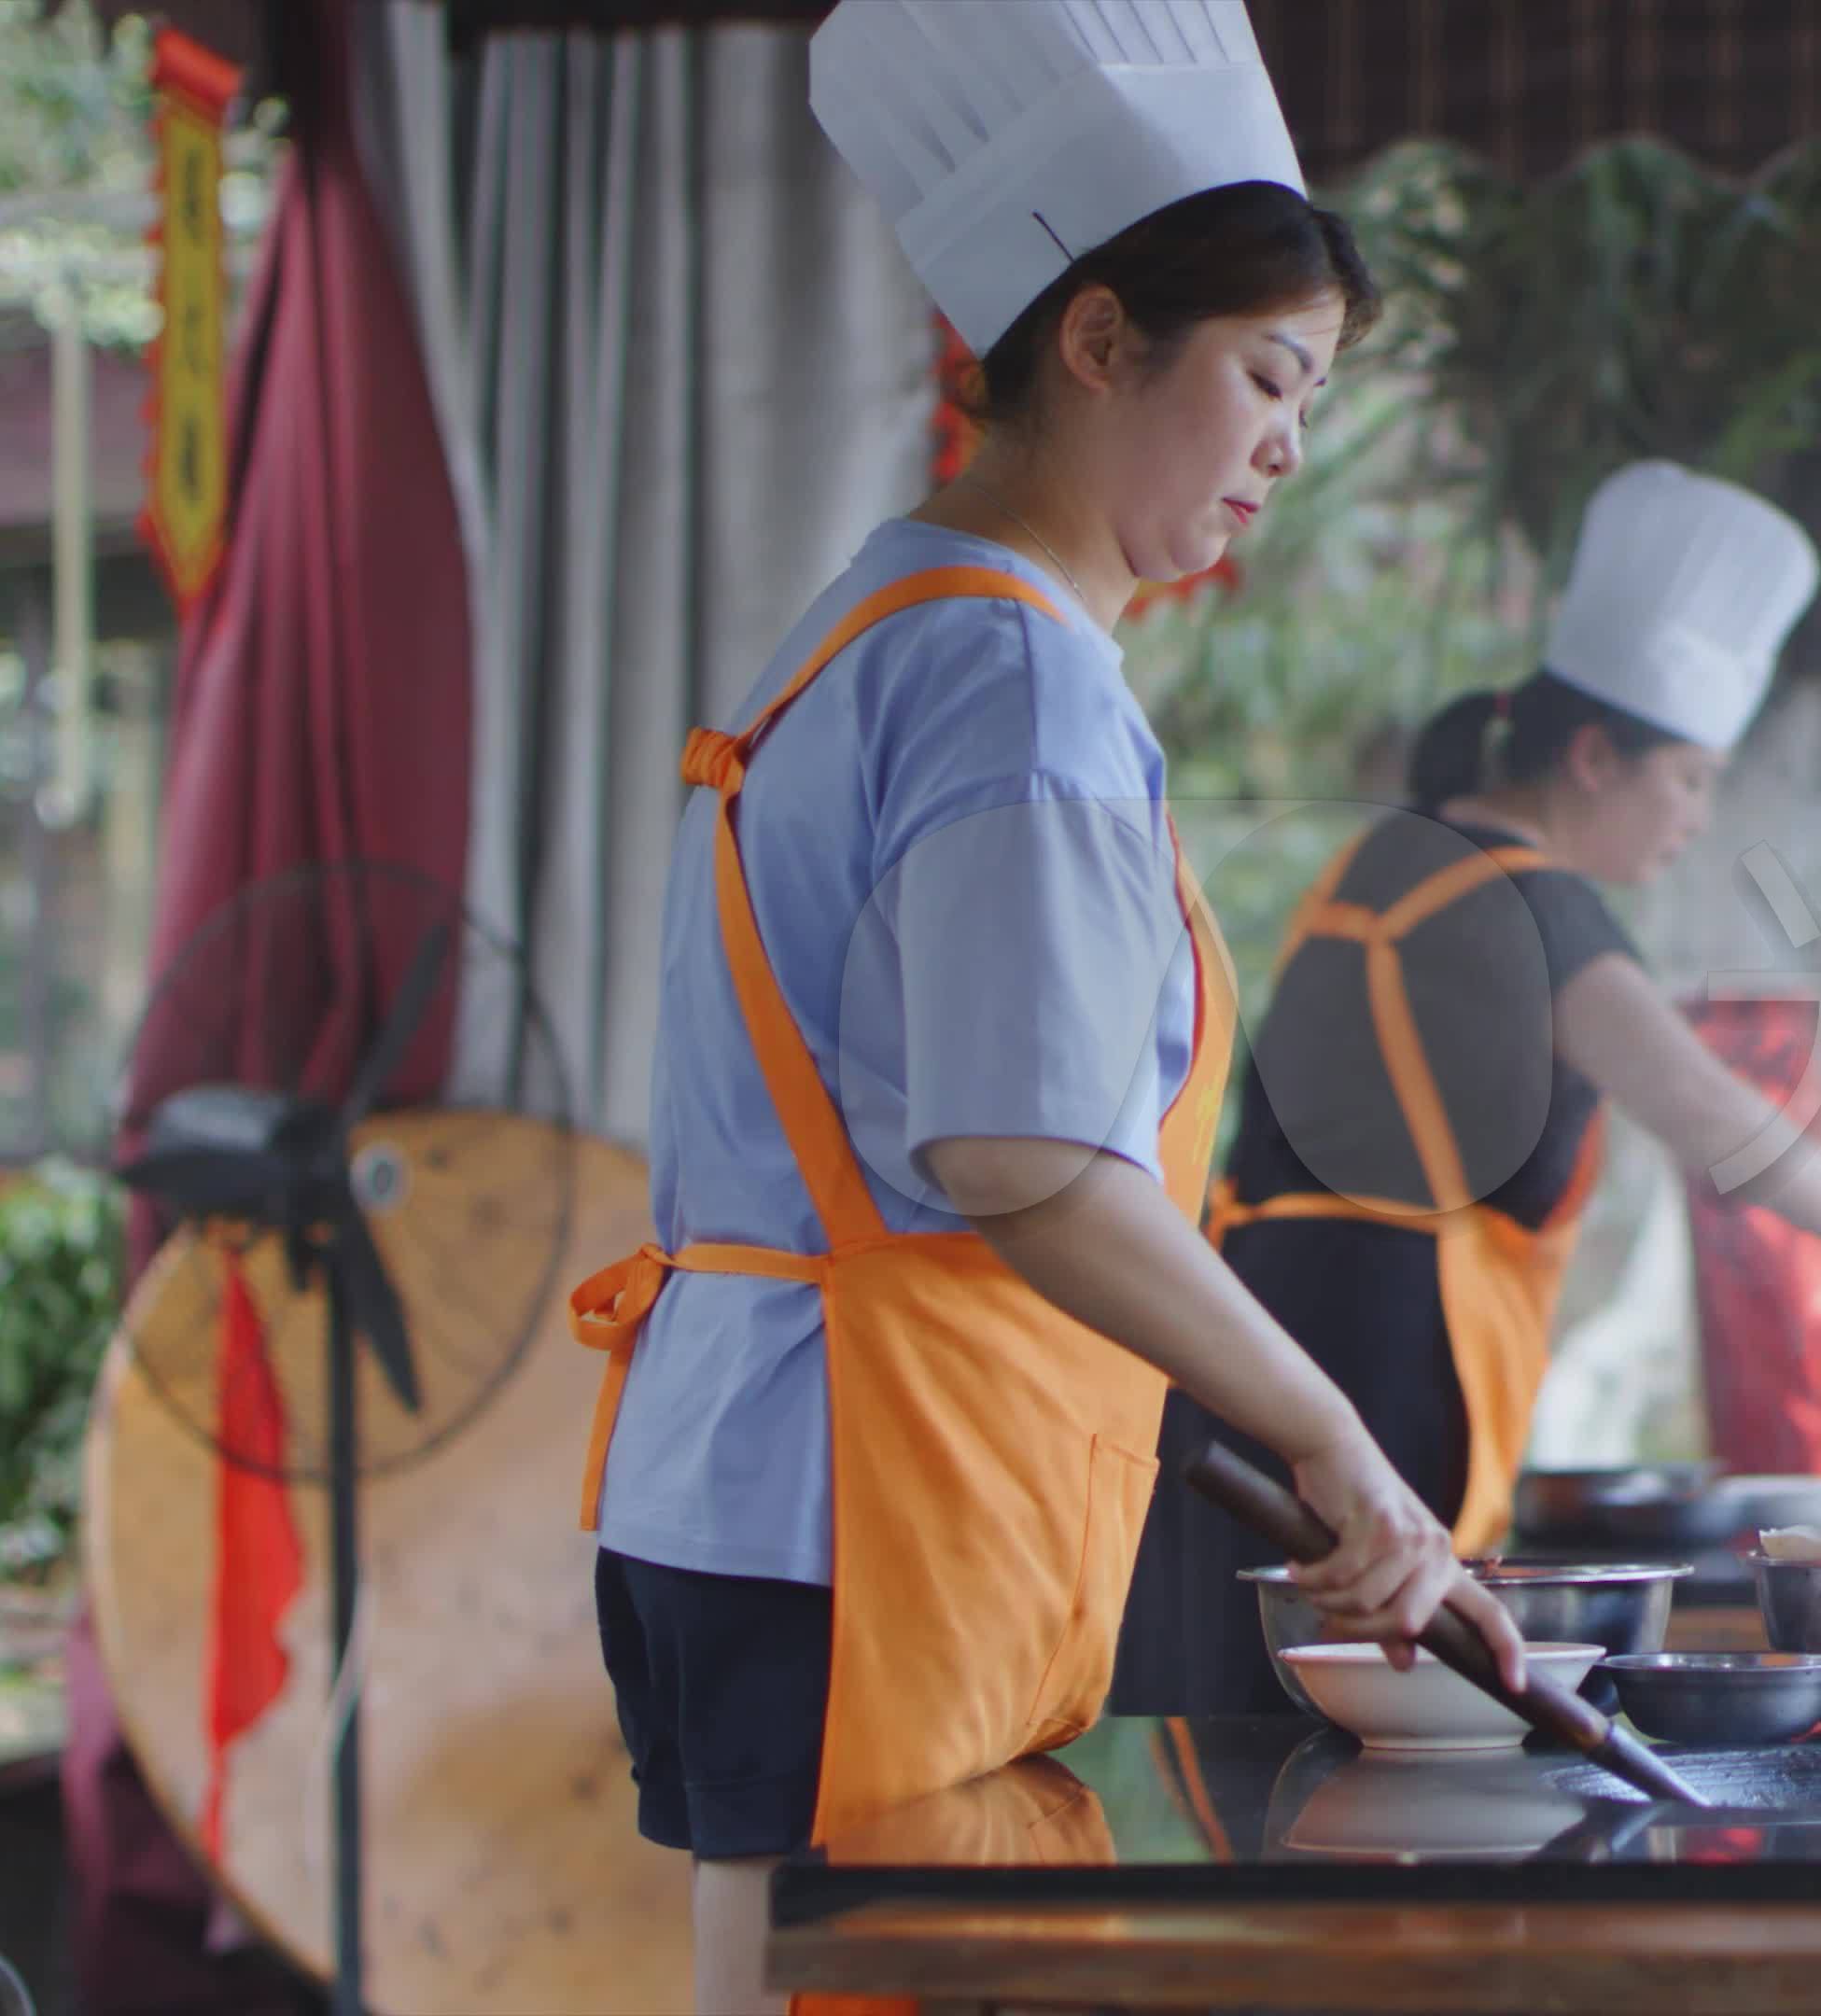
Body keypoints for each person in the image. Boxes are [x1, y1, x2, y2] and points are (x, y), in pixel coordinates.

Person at [560, 6, 1524, 2010]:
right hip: (867, 1490)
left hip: (756, 1474)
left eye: (1312, 398)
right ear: (1094, 342)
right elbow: (1025, 1159)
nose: (1286, 445)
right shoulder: (1016, 680)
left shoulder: (878, 621)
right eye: (1267, 378)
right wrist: (1341, 1441)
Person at [1113, 461, 1821, 1717]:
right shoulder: (1525, 898)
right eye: (1686, 781)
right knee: (1363, 1744)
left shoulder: (1398, 853)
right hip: (1370, 1373)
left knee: (1265, 1749)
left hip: (1257, 1367)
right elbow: (1703, 1107)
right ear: (1592, 758)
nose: (1693, 819)